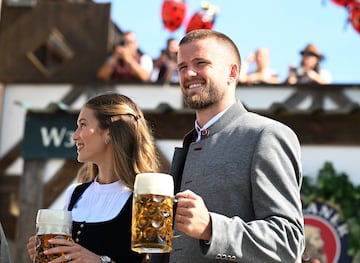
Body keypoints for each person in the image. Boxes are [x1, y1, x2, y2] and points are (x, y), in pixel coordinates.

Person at [152, 29, 305, 263]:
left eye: (200, 63)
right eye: (182, 67)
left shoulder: (266, 134)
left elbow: (288, 242)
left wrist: (212, 228)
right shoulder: (191, 141)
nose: (189, 73)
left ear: (232, 72)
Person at [27, 92, 159, 263]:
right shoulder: (75, 193)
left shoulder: (148, 200)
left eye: (83, 125)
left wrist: (99, 261)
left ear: (109, 132)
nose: (75, 136)